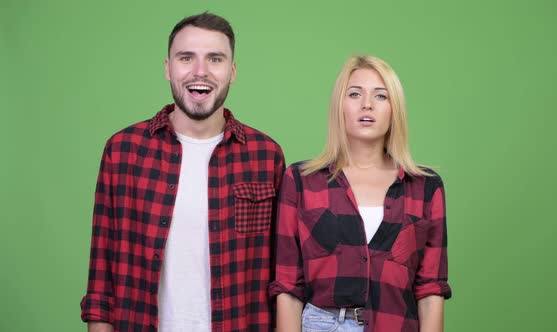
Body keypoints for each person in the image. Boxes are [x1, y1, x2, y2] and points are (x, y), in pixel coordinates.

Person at [80, 12, 285, 332]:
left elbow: (279, 276)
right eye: (186, 57)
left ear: (232, 72)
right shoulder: (123, 151)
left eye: (215, 59)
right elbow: (101, 276)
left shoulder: (265, 156)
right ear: (168, 68)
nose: (200, 72)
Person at [270, 55, 451, 332]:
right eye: (355, 93)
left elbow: (430, 289)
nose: (367, 104)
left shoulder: (425, 187)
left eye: (381, 96)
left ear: (395, 110)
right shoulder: (301, 181)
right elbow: (287, 286)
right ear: (339, 106)